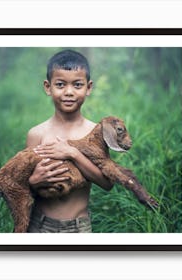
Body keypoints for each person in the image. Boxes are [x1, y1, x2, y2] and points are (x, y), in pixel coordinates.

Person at [26, 50, 113, 233]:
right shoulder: (37, 134)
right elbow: (24, 186)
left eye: (77, 85)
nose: (68, 92)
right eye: (60, 84)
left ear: (88, 88)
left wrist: (73, 153)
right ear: (48, 87)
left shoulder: (95, 133)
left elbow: (107, 183)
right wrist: (34, 181)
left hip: (78, 228)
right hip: (39, 225)